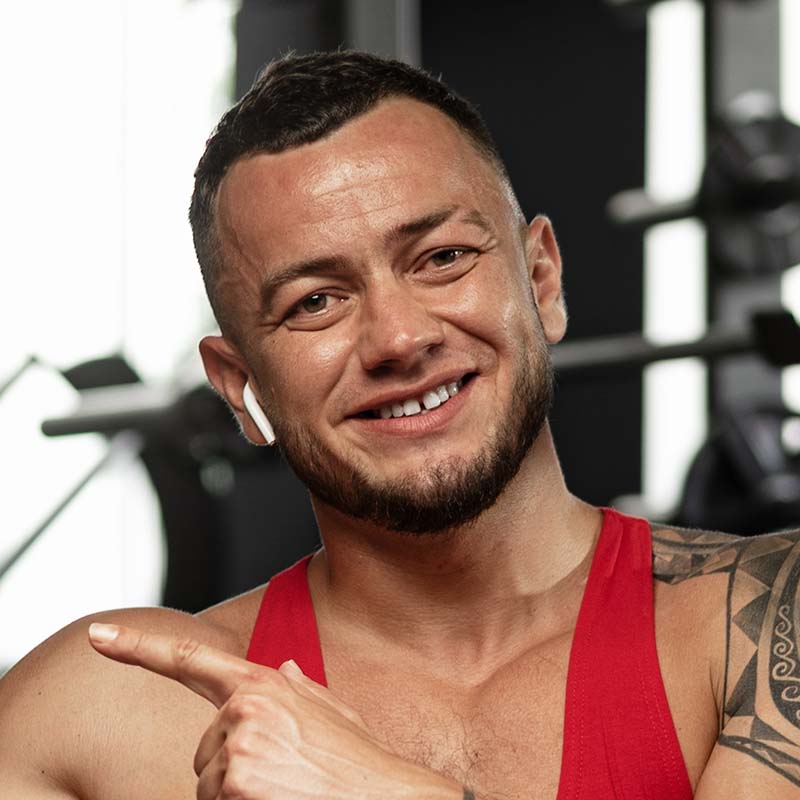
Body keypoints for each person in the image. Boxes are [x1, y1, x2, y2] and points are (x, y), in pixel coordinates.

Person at [1, 50, 799, 800]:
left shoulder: (764, 621)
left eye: (442, 258)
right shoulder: (104, 712)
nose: (398, 338)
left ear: (543, 282)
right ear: (240, 387)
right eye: (315, 302)